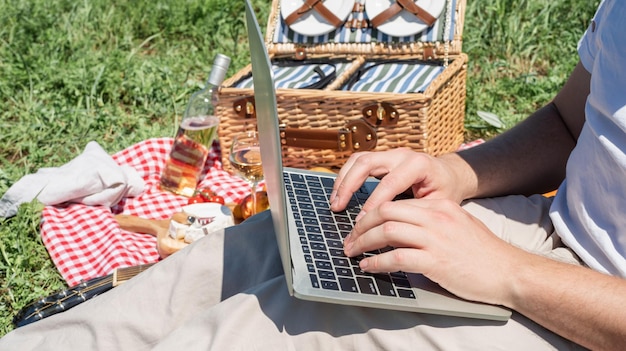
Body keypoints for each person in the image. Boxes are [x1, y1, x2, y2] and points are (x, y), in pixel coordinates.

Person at [1, 0, 624, 349]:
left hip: (591, 311)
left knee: (258, 330)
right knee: (230, 260)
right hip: (553, 225)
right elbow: (572, 121)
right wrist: (453, 171)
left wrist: (507, 273)